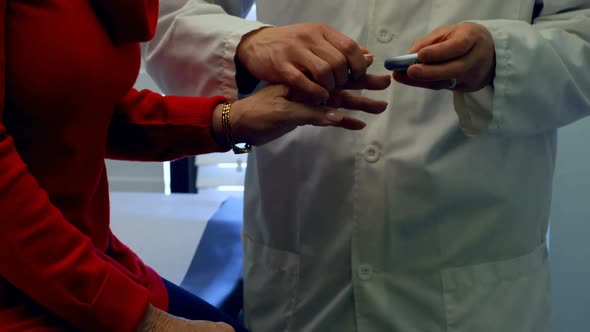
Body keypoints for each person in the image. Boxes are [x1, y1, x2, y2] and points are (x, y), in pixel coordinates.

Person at [146, 0, 590, 331]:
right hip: (303, 270)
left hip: (476, 278)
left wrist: (502, 56)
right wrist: (247, 43)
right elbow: (163, 12)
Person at [0, 0, 390, 331]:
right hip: (28, 284)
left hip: (88, 256)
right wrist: (143, 320)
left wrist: (228, 120)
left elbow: (79, 109)